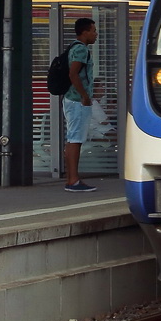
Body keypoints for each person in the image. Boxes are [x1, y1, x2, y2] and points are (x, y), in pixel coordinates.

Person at [63, 18, 98, 192]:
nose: (96, 34)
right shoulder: (81, 49)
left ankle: (71, 178)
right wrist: (84, 96)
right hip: (77, 101)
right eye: (93, 31)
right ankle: (74, 180)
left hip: (72, 100)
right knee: (75, 140)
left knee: (73, 139)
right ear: (84, 32)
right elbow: (73, 74)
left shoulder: (74, 47)